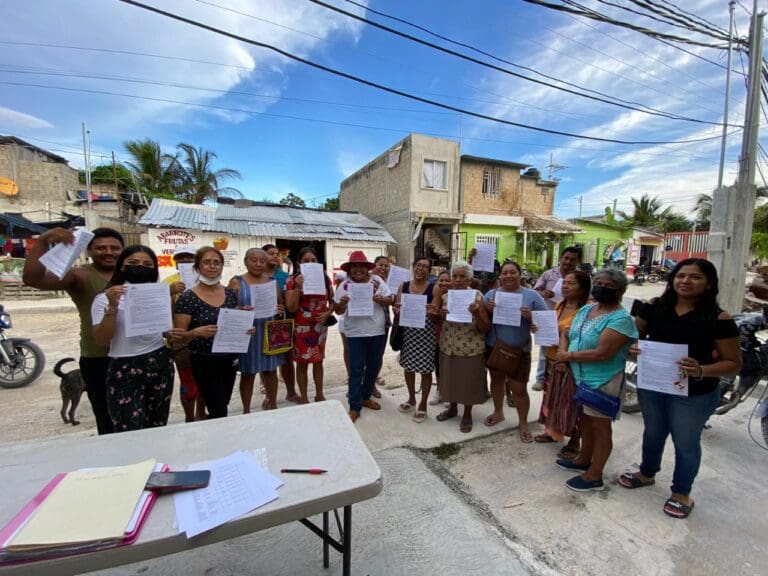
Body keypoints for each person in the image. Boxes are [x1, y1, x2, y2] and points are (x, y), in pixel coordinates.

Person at [618, 259, 741, 519]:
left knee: (685, 441)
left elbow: (733, 363)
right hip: (653, 385)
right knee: (653, 432)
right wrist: (631, 348)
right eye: (680, 275)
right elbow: (631, 339)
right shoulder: (652, 308)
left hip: (694, 393)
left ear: (708, 284)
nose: (685, 281)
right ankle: (647, 473)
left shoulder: (719, 318)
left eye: (695, 277)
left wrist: (701, 370)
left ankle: (681, 492)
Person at [22, 226, 124, 435]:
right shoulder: (80, 275)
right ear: (88, 251)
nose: (108, 252)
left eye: (114, 248)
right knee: (107, 419)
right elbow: (33, 279)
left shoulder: (133, 272)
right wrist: (42, 242)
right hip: (98, 357)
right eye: (100, 247)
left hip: (134, 355)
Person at [554, 268, 638, 492]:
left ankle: (594, 475)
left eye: (608, 285)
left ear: (620, 291)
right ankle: (583, 459)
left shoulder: (621, 319)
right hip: (581, 377)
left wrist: (568, 356)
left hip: (604, 380)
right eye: (598, 282)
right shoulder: (588, 309)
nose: (601, 287)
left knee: (601, 427)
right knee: (587, 422)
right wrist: (563, 354)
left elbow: (603, 353)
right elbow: (566, 332)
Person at [91, 245, 175, 433]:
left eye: (147, 264)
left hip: (159, 362)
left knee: (158, 424)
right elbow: (102, 339)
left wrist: (169, 333)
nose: (141, 267)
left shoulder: (158, 295)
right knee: (128, 428)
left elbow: (162, 329)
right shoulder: (104, 299)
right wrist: (112, 306)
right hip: (125, 366)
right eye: (133, 263)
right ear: (121, 266)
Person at [174, 246, 247, 419]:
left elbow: (234, 323)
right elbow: (178, 337)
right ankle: (220, 439)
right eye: (206, 262)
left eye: (216, 262)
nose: (212, 266)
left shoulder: (230, 294)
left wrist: (245, 329)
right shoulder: (188, 297)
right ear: (197, 268)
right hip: (204, 359)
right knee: (219, 409)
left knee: (223, 403)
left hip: (229, 358)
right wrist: (195, 333)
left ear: (222, 266)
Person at [484, 261, 547, 442]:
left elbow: (544, 324)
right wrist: (487, 311)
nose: (509, 276)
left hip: (520, 350)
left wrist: (531, 317)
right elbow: (482, 321)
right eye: (505, 273)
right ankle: (498, 412)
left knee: (519, 388)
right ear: (500, 276)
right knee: (496, 381)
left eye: (513, 272)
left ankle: (523, 423)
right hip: (494, 347)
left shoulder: (532, 296)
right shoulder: (491, 295)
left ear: (520, 275)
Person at [535, 270, 591, 457]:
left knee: (572, 402)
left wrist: (565, 359)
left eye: (571, 283)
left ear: (583, 288)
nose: (565, 286)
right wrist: (539, 329)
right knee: (553, 398)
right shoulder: (560, 305)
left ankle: (575, 440)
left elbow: (581, 338)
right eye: (564, 283)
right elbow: (554, 330)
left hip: (571, 364)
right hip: (552, 359)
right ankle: (552, 431)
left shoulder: (588, 310)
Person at [334, 251, 393, 423]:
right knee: (356, 369)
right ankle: (354, 406)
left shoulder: (377, 281)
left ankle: (366, 397)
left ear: (367, 268)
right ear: (350, 269)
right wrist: (342, 304)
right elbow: (337, 310)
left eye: (361, 266)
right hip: (355, 333)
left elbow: (390, 298)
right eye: (354, 266)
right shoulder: (345, 285)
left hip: (377, 331)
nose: (358, 269)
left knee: (373, 368)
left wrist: (382, 299)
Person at [434, 261, 490, 433]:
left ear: (469, 279)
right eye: (455, 276)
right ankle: (452, 408)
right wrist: (439, 315)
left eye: (462, 276)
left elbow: (485, 326)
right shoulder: (445, 297)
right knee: (449, 379)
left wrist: (476, 314)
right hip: (448, 345)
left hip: (470, 347)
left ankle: (467, 414)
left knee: (468, 382)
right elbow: (437, 322)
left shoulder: (478, 296)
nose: (457, 280)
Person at [228, 248, 285, 412]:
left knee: (270, 370)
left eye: (262, 260)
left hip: (268, 332)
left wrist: (280, 308)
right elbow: (228, 307)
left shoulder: (271, 282)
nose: (258, 264)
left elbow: (279, 303)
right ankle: (246, 409)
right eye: (254, 260)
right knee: (247, 373)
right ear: (246, 262)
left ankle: (272, 402)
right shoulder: (236, 282)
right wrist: (240, 309)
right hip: (248, 334)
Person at [163, 244, 206, 422]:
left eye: (189, 257)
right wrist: (169, 292)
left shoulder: (206, 280)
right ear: (175, 263)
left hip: (204, 338)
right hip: (181, 342)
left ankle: (201, 413)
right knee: (188, 382)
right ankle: (190, 417)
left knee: (204, 381)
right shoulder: (168, 282)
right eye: (180, 258)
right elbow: (156, 308)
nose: (185, 261)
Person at [285, 247, 334, 403]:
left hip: (320, 326)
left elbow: (332, 301)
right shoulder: (292, 281)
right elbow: (291, 307)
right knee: (302, 362)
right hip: (301, 327)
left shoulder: (325, 279)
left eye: (313, 260)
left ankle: (319, 394)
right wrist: (298, 286)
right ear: (299, 263)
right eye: (306, 261)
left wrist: (328, 313)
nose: (310, 263)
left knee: (318, 360)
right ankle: (304, 398)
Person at [393, 257, 436, 423]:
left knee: (426, 371)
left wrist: (430, 310)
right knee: (408, 367)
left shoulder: (434, 288)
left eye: (425, 266)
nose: (421, 269)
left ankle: (423, 404)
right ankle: (411, 399)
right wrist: (397, 310)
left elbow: (436, 312)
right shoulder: (403, 286)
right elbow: (397, 307)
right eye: (418, 265)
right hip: (408, 335)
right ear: (413, 267)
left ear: (429, 271)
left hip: (426, 336)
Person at [532, 247, 582, 391]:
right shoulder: (548, 274)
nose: (568, 261)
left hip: (571, 318)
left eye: (572, 259)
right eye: (566, 258)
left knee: (567, 348)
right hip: (549, 315)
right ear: (560, 258)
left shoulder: (581, 277)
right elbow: (535, 291)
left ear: (577, 261)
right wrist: (544, 293)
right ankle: (541, 379)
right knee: (545, 350)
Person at [262, 243, 300, 404]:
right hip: (262, 323)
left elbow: (291, 302)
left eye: (277, 254)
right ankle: (269, 396)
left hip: (282, 322)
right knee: (266, 363)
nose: (275, 256)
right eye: (271, 253)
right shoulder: (255, 276)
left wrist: (284, 303)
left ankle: (291, 392)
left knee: (287, 359)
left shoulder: (286, 277)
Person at [428, 270, 452, 406]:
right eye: (440, 281)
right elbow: (433, 318)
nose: (443, 283)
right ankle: (440, 391)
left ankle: (449, 393)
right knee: (438, 365)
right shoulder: (435, 296)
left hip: (452, 337)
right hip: (438, 336)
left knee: (450, 367)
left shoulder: (456, 297)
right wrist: (433, 311)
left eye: (447, 280)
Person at [371, 255, 392, 398]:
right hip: (366, 324)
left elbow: (394, 299)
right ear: (374, 265)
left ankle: (372, 383)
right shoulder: (367, 279)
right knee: (365, 356)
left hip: (384, 322)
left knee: (378, 355)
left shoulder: (391, 281)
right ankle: (362, 383)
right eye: (381, 265)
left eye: (386, 266)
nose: (383, 268)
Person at [334, 270, 351, 381]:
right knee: (348, 350)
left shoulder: (372, 280)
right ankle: (350, 375)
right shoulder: (342, 276)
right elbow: (337, 299)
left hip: (363, 322)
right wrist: (342, 302)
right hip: (345, 318)